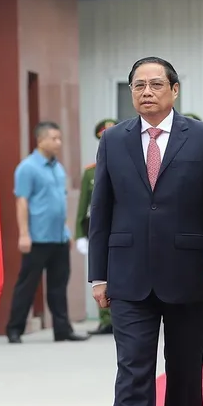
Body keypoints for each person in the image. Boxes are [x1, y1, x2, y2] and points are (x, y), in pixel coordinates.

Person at [89, 56, 203, 406]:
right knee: (133, 363)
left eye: (156, 84)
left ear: (175, 91)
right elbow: (101, 210)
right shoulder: (113, 140)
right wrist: (99, 275)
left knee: (185, 367)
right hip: (128, 271)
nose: (147, 92)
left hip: (190, 271)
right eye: (139, 86)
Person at [6, 121, 87, 343]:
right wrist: (24, 233)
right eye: (54, 138)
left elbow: (59, 202)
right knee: (28, 285)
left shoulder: (58, 168)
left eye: (59, 138)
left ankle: (63, 330)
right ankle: (14, 329)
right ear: (40, 140)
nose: (58, 143)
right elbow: (21, 201)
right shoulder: (27, 168)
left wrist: (66, 231)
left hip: (58, 237)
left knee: (58, 286)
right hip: (37, 237)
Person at [75, 118, 117, 335]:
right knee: (100, 275)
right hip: (99, 230)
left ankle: (118, 317)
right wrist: (80, 234)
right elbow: (84, 204)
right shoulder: (91, 172)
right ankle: (105, 319)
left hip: (121, 229)